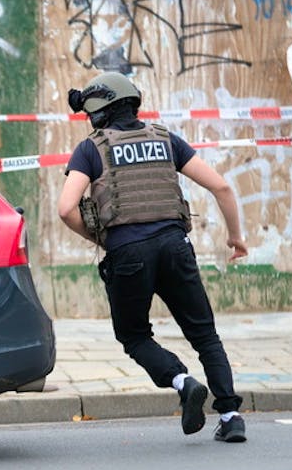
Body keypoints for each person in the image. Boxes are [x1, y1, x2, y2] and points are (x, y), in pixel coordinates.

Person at [57, 71, 249, 443]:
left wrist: (101, 239)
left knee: (134, 335)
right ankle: (230, 414)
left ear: (99, 113)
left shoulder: (91, 149)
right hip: (176, 247)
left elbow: (66, 209)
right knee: (204, 333)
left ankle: (182, 381)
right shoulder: (165, 139)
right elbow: (221, 186)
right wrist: (236, 238)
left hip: (127, 252)